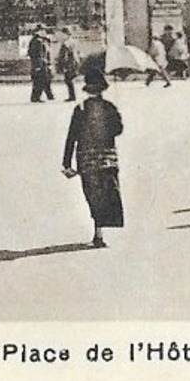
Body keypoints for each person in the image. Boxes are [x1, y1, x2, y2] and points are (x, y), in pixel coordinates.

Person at [62, 58, 124, 247]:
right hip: (107, 160)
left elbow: (71, 137)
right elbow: (118, 130)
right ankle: (99, 232)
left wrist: (66, 163)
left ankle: (98, 232)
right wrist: (116, 116)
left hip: (87, 161)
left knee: (93, 196)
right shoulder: (109, 108)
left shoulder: (80, 109)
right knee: (107, 195)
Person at [27, 28, 53, 102]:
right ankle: (36, 97)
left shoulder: (35, 40)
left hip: (39, 64)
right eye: (43, 31)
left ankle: (40, 96)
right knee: (41, 80)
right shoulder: (38, 42)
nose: (45, 32)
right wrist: (38, 65)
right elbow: (39, 54)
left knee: (40, 80)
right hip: (40, 64)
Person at [54, 28, 80, 102]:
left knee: (68, 80)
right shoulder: (72, 41)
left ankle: (72, 96)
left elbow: (63, 55)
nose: (62, 36)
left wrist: (62, 65)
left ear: (66, 34)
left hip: (68, 64)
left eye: (63, 34)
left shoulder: (66, 43)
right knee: (69, 79)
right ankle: (72, 96)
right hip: (73, 63)